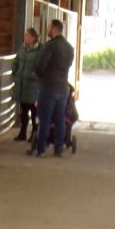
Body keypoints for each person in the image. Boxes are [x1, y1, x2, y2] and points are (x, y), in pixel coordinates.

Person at [32, 19, 76, 157]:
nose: (47, 30)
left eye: (49, 27)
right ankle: (59, 149)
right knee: (60, 119)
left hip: (48, 87)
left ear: (54, 29)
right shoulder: (69, 47)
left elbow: (41, 65)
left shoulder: (50, 46)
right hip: (63, 87)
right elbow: (68, 65)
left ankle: (41, 149)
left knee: (45, 119)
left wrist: (39, 75)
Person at [9, 27, 42, 141]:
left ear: (33, 38)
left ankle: (34, 132)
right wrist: (15, 72)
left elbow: (41, 66)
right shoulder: (22, 49)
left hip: (33, 86)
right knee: (23, 110)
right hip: (22, 84)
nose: (24, 37)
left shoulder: (40, 50)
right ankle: (22, 132)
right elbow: (16, 60)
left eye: (27, 35)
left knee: (34, 111)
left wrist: (34, 75)